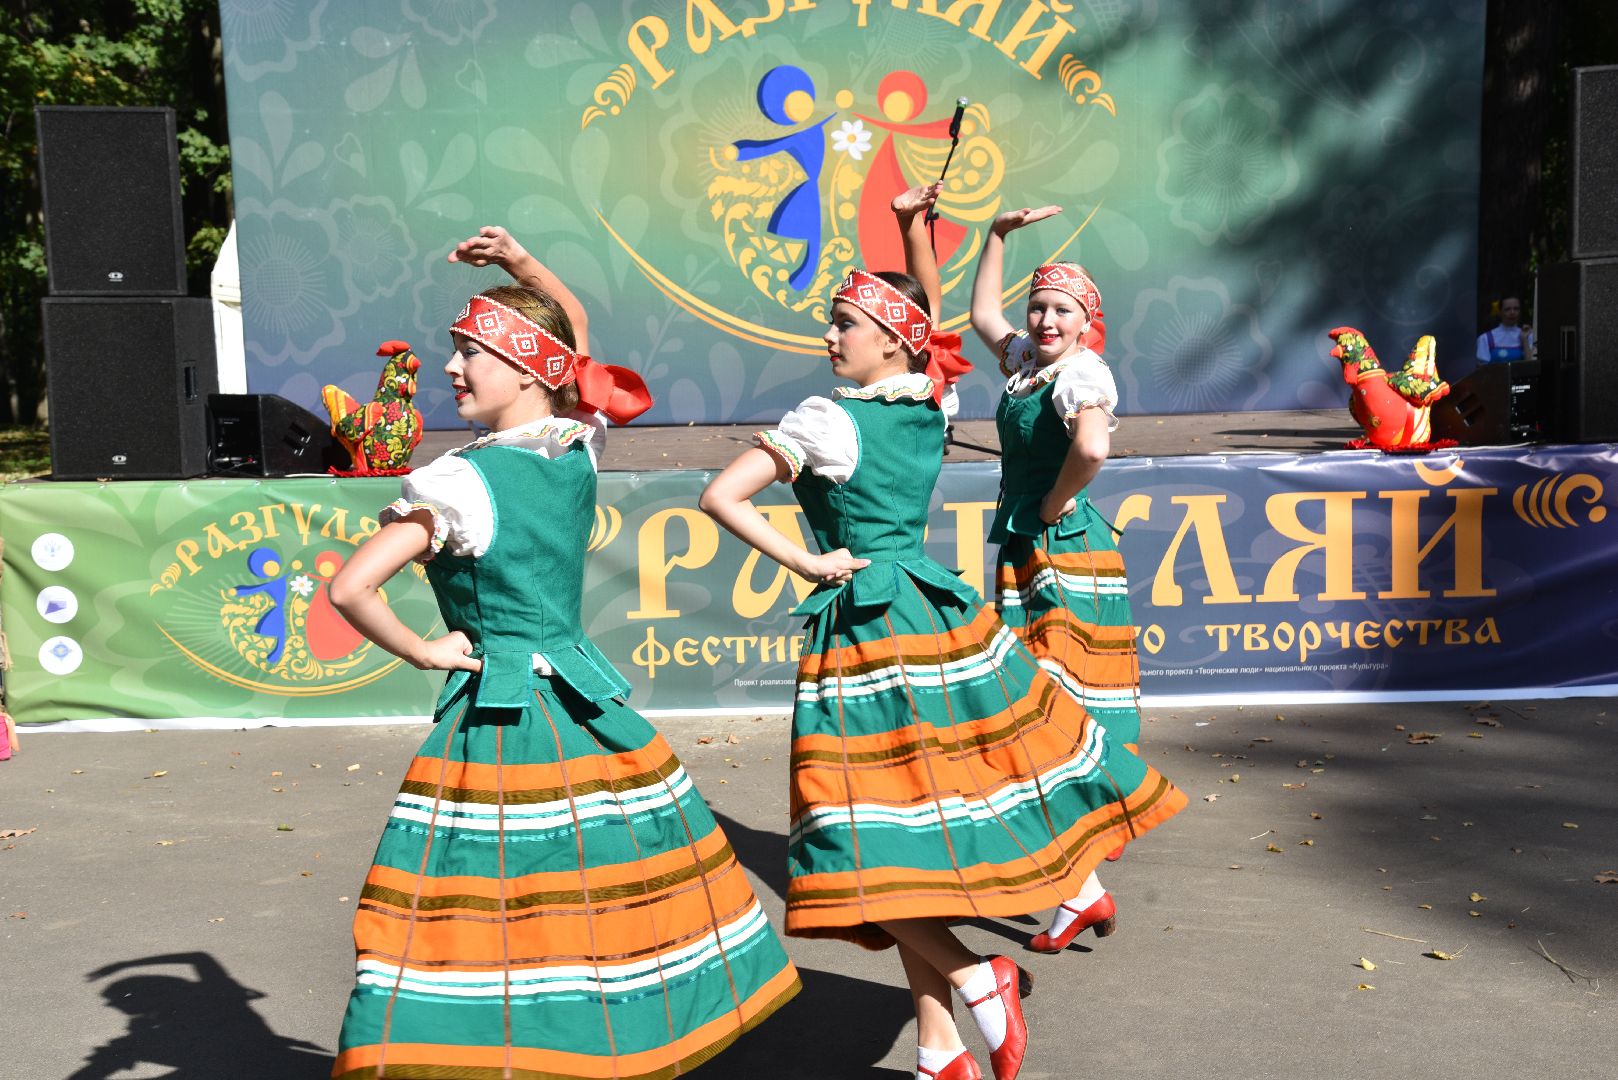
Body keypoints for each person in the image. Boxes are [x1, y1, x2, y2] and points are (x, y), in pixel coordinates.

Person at [701, 186, 1185, 1080]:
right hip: (937, 609)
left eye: (844, 322)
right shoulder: (931, 398)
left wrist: (806, 565)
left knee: (861, 839)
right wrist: (914, 230)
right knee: (918, 831)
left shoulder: (829, 419)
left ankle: (981, 971)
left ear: (887, 338)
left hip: (869, 633)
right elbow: (939, 319)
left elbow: (719, 497)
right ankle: (939, 1045)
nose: (829, 336)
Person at [326, 268, 799, 1079]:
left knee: (489, 906)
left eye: (469, 350)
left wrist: (425, 649)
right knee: (603, 897)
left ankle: (499, 1052)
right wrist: (523, 267)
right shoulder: (579, 440)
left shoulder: (459, 483)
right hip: (587, 702)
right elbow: (575, 340)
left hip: (504, 715)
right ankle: (610, 1049)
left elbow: (349, 586)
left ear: (525, 368)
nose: (451, 367)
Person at [969, 206, 1151, 953]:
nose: (1044, 317)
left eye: (1061, 309)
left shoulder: (1079, 372)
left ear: (1085, 322)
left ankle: (1078, 884)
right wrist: (997, 236)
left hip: (1062, 553)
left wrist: (1053, 498)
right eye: (1039, 305)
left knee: (1044, 715)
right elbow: (983, 313)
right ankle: (1080, 893)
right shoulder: (1030, 365)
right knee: (1038, 714)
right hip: (1029, 548)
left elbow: (1095, 446)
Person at [1475, 295, 1533, 364]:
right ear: (1500, 312)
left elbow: (1531, 366)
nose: (1512, 312)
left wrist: (1524, 340)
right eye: (1507, 309)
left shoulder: (1528, 335)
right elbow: (1483, 370)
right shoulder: (1485, 338)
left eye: (1516, 309)